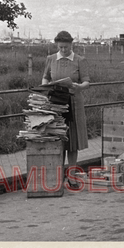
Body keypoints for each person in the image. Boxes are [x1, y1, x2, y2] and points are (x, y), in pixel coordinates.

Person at [42, 31, 90, 186]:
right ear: (57, 45)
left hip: (74, 103)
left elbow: (86, 81)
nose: (63, 50)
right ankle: (58, 174)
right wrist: (45, 86)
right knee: (58, 138)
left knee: (73, 140)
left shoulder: (79, 60)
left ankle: (72, 174)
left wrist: (79, 86)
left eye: (66, 47)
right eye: (61, 47)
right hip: (56, 103)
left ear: (71, 45)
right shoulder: (51, 59)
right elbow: (45, 77)